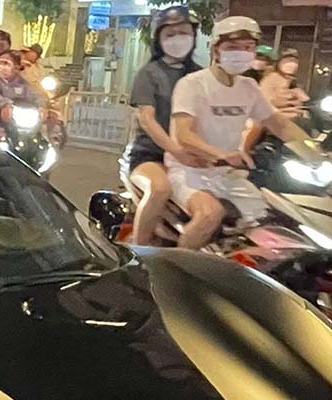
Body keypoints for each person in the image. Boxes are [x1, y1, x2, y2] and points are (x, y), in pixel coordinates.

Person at [168, 16, 322, 249]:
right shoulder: (192, 84)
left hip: (226, 174)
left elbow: (278, 124)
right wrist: (220, 153)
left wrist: (315, 151)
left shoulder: (248, 87)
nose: (241, 53)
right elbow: (183, 135)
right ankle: (172, 276)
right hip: (188, 171)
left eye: (248, 48)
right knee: (209, 215)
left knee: (269, 219)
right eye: (232, 48)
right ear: (216, 50)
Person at [126, 5, 204, 246]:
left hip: (193, 158)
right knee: (159, 189)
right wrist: (176, 151)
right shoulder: (149, 74)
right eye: (170, 34)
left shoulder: (202, 75)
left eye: (184, 32)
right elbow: (147, 120)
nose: (178, 39)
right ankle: (139, 253)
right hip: (152, 155)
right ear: (159, 39)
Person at [260, 48, 309, 118]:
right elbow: (265, 98)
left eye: (294, 64)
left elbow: (303, 99)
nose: (291, 67)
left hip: (290, 115)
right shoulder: (272, 78)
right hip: (274, 116)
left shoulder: (291, 81)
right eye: (288, 63)